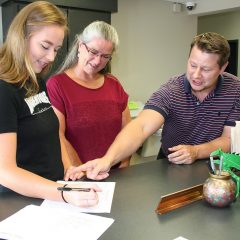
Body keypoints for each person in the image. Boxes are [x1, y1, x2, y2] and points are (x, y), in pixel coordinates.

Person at [66, 32, 240, 180]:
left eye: (206, 69)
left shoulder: (235, 90)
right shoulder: (172, 90)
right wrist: (108, 160)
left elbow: (229, 140)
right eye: (192, 65)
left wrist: (196, 152)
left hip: (216, 166)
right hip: (171, 164)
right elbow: (141, 126)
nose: (196, 75)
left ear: (223, 67)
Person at [0, 1, 100, 207]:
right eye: (45, 46)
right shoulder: (3, 89)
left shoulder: (36, 80)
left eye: (55, 49)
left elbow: (52, 134)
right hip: (20, 204)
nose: (51, 57)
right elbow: (4, 171)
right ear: (22, 37)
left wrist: (68, 169)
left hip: (51, 194)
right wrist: (63, 193)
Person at [46, 21, 131, 168]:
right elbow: (57, 136)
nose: (98, 61)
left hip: (117, 176)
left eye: (105, 56)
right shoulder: (57, 85)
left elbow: (128, 132)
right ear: (80, 45)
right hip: (79, 177)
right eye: (93, 52)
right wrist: (82, 174)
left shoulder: (114, 84)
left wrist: (124, 167)